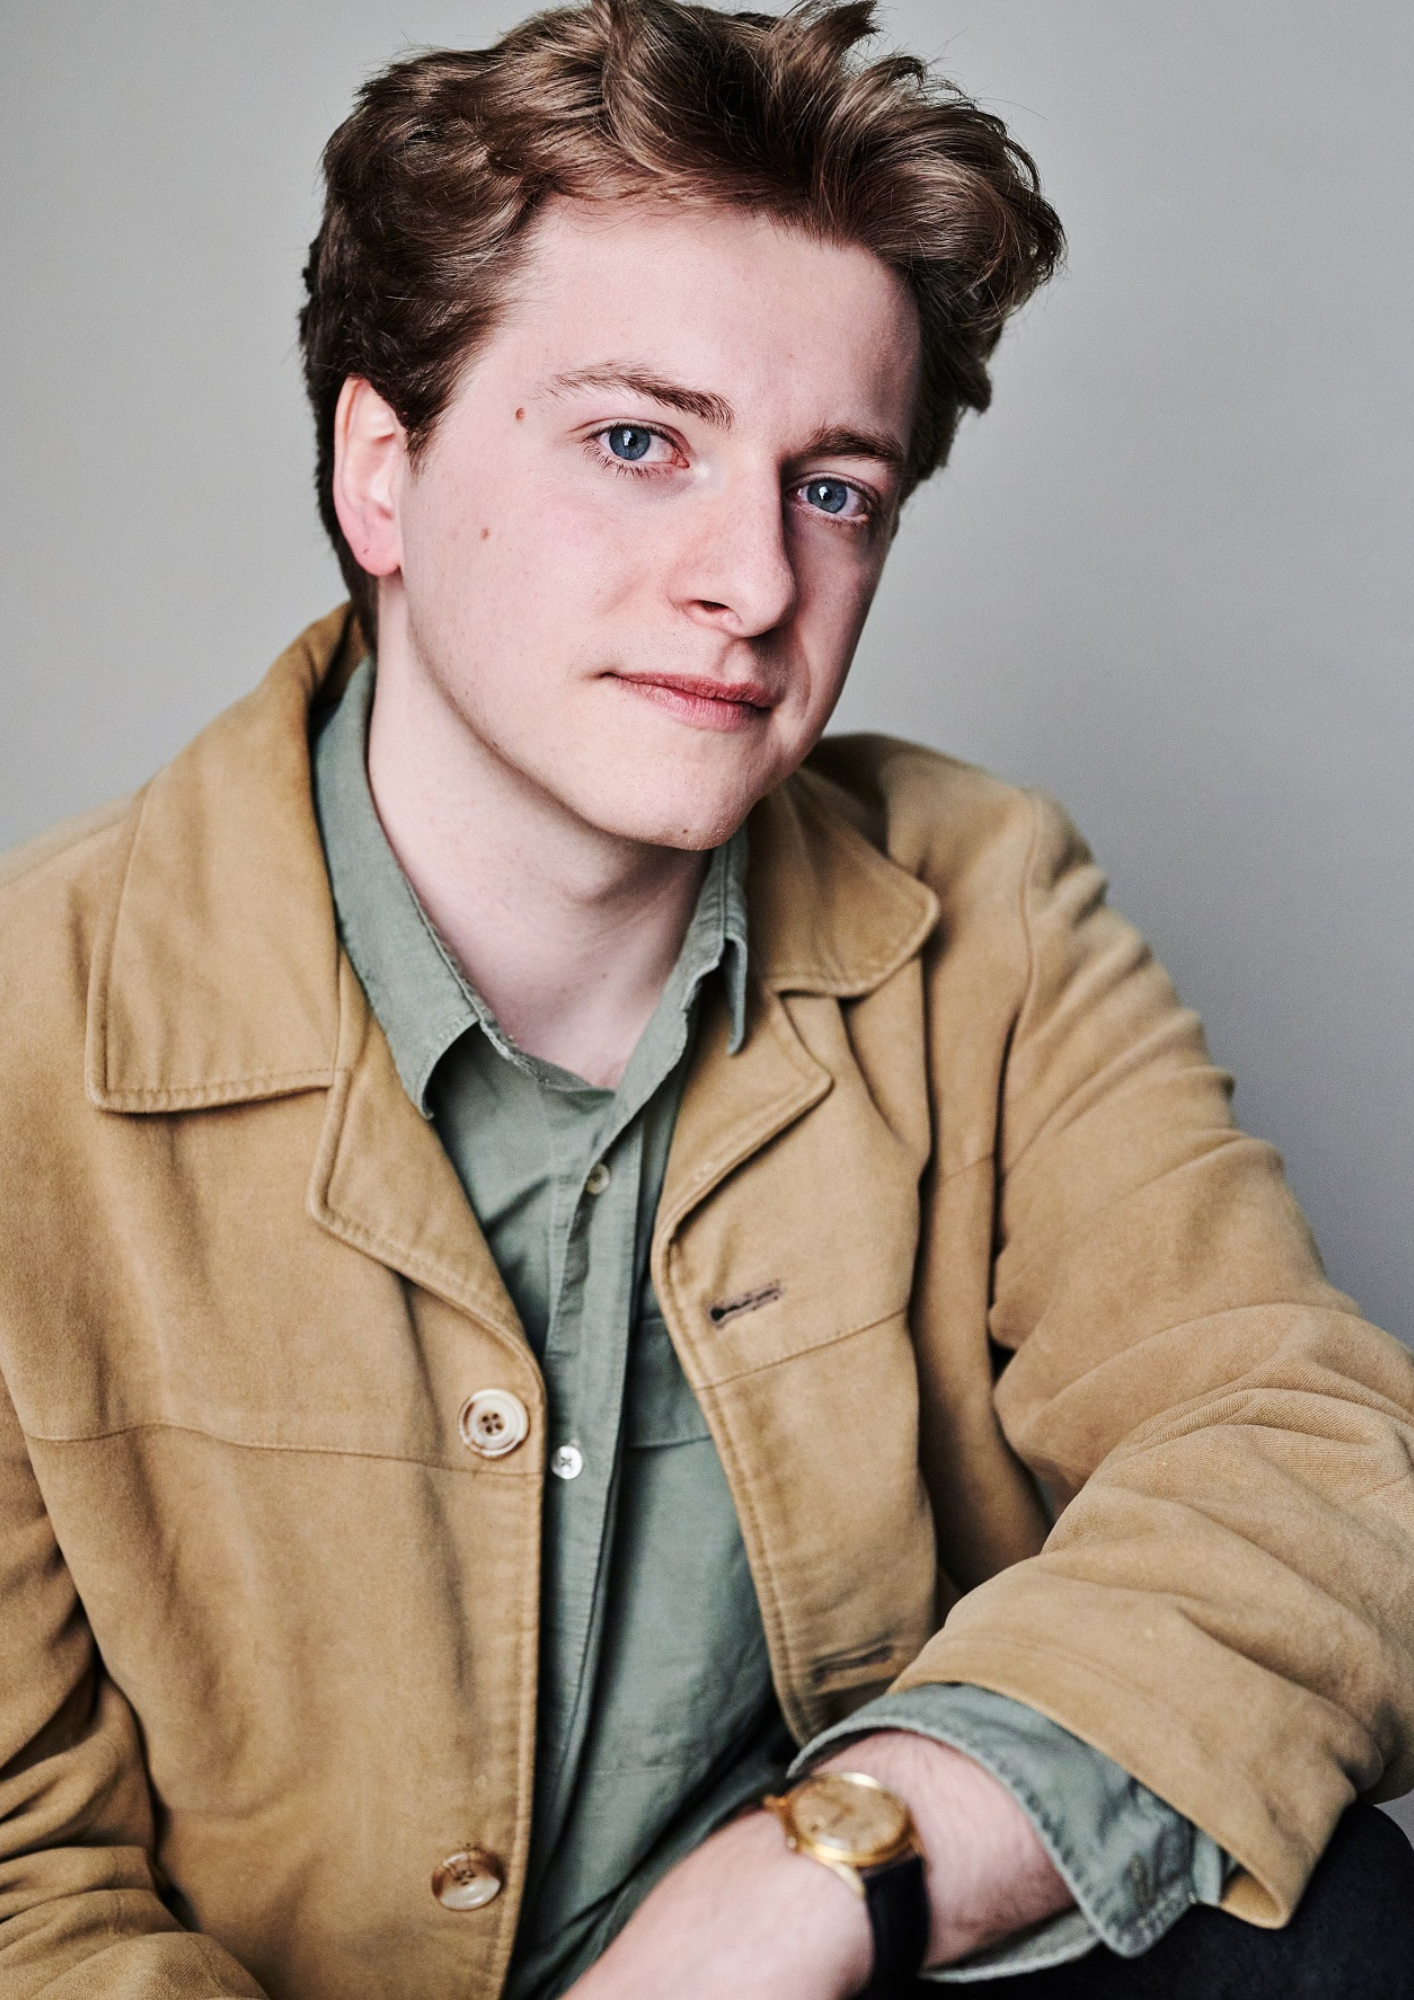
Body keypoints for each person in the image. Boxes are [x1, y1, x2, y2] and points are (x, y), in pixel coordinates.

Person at [1, 2, 1412, 1995]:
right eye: (635, 443)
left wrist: (820, 1873)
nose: (751, 582)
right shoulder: (23, 1044)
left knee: (1320, 1910)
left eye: (830, 487)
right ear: (378, 470)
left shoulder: (980, 896)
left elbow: (1313, 1461)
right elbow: (17, 1894)